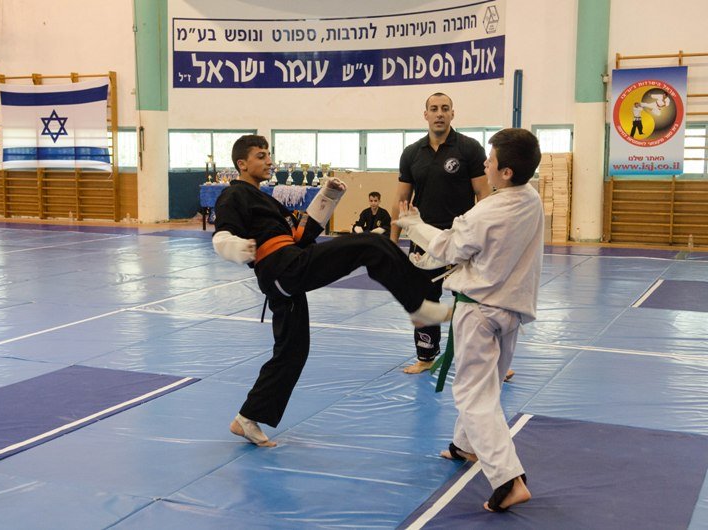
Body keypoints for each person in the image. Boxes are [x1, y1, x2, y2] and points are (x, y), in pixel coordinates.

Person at [213, 134, 452, 447]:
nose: (269, 161)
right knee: (372, 244)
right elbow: (221, 236)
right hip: (283, 268)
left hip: (287, 269)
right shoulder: (234, 195)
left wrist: (327, 197)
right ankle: (418, 306)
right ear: (242, 164)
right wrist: (235, 248)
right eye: (261, 156)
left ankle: (247, 418)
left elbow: (301, 237)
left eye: (269, 154)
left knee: (293, 351)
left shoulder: (266, 199)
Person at [394, 127, 543, 513]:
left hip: (479, 310)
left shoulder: (489, 210)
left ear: (506, 172)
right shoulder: (531, 198)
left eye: (491, 161)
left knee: (474, 395)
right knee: (486, 386)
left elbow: (448, 248)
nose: (486, 165)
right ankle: (465, 445)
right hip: (511, 309)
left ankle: (508, 479)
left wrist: (413, 225)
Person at [391, 92, 492, 374]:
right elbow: (401, 199)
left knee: (474, 302)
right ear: (425, 115)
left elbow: (484, 195)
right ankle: (426, 356)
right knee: (424, 300)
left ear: (452, 114)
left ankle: (488, 359)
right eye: (434, 109)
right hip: (423, 240)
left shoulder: (469, 148)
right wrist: (392, 241)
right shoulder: (412, 153)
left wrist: (484, 235)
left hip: (462, 237)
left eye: (444, 108)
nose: (439, 113)